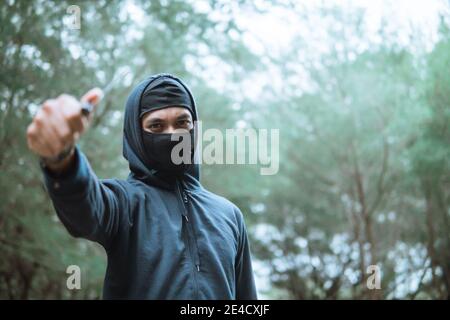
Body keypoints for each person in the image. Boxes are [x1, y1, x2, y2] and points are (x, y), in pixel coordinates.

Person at [26, 73, 257, 299]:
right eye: (156, 126)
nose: (173, 134)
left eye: (182, 122)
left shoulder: (229, 215)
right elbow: (84, 206)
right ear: (136, 135)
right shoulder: (122, 203)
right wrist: (62, 159)